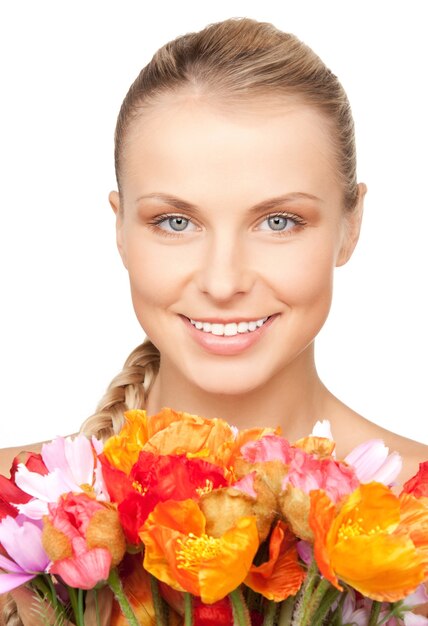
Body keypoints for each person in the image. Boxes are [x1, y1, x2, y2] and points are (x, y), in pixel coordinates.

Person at [1, 15, 427, 626]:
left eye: (279, 221)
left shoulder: (420, 520)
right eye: (176, 222)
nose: (223, 282)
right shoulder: (12, 520)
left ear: (351, 224)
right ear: (120, 228)